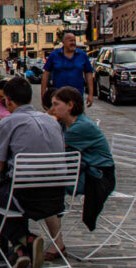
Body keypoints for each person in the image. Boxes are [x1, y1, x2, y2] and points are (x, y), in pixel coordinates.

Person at [0, 75, 64, 268]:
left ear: (8, 101)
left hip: (24, 197)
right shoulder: (52, 122)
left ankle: (25, 239)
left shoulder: (9, 122)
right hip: (55, 197)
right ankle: (21, 251)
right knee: (5, 194)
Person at [45, 86, 115, 257]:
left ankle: (56, 243)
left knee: (46, 188)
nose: (51, 109)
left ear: (70, 105)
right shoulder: (66, 124)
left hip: (98, 177)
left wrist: (48, 121)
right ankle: (55, 241)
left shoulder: (81, 127)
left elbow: (50, 147)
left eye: (55, 104)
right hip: (83, 172)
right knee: (46, 185)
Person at [43, 33, 94, 107]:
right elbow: (46, 74)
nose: (73, 43)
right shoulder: (54, 55)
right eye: (70, 41)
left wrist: (90, 95)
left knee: (77, 117)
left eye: (74, 40)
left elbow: (88, 74)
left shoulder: (82, 55)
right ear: (63, 42)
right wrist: (43, 95)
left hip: (77, 96)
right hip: (58, 96)